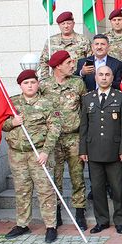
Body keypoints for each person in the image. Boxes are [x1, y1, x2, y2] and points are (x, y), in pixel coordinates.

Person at [2, 69, 61, 243]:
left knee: (45, 191)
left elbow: (55, 128)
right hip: (18, 155)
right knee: (22, 190)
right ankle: (22, 224)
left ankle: (50, 226)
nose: (30, 85)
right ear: (20, 85)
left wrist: (46, 151)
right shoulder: (11, 103)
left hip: (39, 154)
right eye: (26, 83)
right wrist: (12, 122)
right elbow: (1, 125)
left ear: (37, 84)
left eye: (33, 82)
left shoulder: (47, 103)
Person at [79, 66, 122, 234]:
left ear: (112, 77)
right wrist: (83, 150)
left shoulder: (120, 97)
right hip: (93, 151)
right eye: (100, 74)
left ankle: (120, 221)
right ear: (95, 77)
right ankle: (102, 221)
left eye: (107, 75)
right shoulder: (87, 99)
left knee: (117, 189)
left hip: (115, 152)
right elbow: (84, 127)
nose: (104, 77)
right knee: (98, 189)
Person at [40, 50, 88, 230]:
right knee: (55, 178)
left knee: (77, 177)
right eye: (68, 62)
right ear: (58, 66)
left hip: (74, 137)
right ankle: (57, 213)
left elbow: (85, 111)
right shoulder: (44, 86)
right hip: (53, 141)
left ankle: (80, 212)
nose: (72, 65)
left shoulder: (78, 83)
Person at [38, 11, 91, 80]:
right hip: (56, 82)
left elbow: (90, 60)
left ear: (73, 24)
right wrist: (45, 79)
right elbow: (44, 61)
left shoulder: (84, 40)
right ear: (59, 25)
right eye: (63, 24)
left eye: (69, 23)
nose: (66, 26)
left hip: (78, 80)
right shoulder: (51, 41)